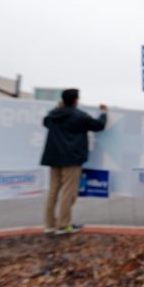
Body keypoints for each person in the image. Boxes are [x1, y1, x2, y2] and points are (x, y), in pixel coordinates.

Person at [40, 89, 107, 236]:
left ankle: (49, 224)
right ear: (76, 100)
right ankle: (64, 225)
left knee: (53, 191)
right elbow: (99, 126)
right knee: (68, 192)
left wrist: (58, 108)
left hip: (53, 158)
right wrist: (103, 113)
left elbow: (45, 122)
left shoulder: (53, 115)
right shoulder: (79, 116)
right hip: (71, 159)